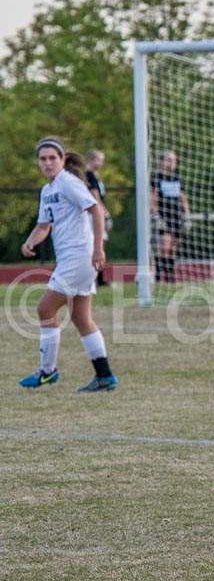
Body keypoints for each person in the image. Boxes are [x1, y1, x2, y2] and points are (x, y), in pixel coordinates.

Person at [19, 136, 118, 392]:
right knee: (81, 317)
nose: (48, 163)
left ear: (62, 160)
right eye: (43, 159)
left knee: (45, 309)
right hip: (71, 258)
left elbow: (95, 210)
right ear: (38, 162)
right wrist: (30, 241)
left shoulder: (68, 183)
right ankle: (105, 375)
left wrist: (98, 249)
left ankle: (47, 372)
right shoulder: (48, 190)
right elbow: (44, 225)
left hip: (79, 256)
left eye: (53, 158)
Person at [150, 149, 191, 284]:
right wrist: (155, 213)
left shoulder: (177, 179)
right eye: (168, 159)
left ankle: (170, 278)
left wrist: (187, 214)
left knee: (172, 249)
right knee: (164, 247)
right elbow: (153, 197)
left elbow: (182, 198)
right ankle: (159, 277)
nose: (171, 163)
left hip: (176, 217)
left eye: (173, 160)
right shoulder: (157, 178)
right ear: (161, 161)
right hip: (164, 217)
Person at [84, 149, 111, 287]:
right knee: (97, 244)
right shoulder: (88, 175)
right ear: (92, 160)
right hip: (93, 215)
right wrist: (104, 213)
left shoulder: (95, 176)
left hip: (96, 214)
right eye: (100, 160)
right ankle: (97, 278)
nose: (101, 163)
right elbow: (94, 196)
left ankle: (99, 277)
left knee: (100, 244)